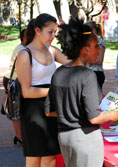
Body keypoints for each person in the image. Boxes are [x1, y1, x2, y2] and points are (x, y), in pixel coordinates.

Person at [45, 18, 118, 167]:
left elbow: (49, 111)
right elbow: (94, 118)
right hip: (85, 138)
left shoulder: (59, 72)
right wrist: (112, 115)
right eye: (96, 46)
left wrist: (70, 112)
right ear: (85, 49)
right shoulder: (88, 75)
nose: (99, 49)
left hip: (65, 136)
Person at [15, 13, 69, 167]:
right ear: (38, 30)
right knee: (34, 157)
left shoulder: (51, 50)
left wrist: (71, 39)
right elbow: (27, 91)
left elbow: (74, 62)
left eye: (55, 32)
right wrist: (54, 90)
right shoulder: (25, 54)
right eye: (50, 32)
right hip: (33, 110)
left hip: (51, 108)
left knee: (50, 157)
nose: (53, 36)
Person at [1, 29, 27, 145]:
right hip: (14, 80)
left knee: (17, 109)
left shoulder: (23, 47)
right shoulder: (22, 49)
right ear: (24, 38)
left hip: (14, 79)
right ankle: (19, 136)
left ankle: (20, 136)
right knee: (15, 110)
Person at [85, 20, 106, 89]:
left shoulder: (98, 40)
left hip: (96, 73)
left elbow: (99, 60)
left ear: (93, 30)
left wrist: (84, 60)